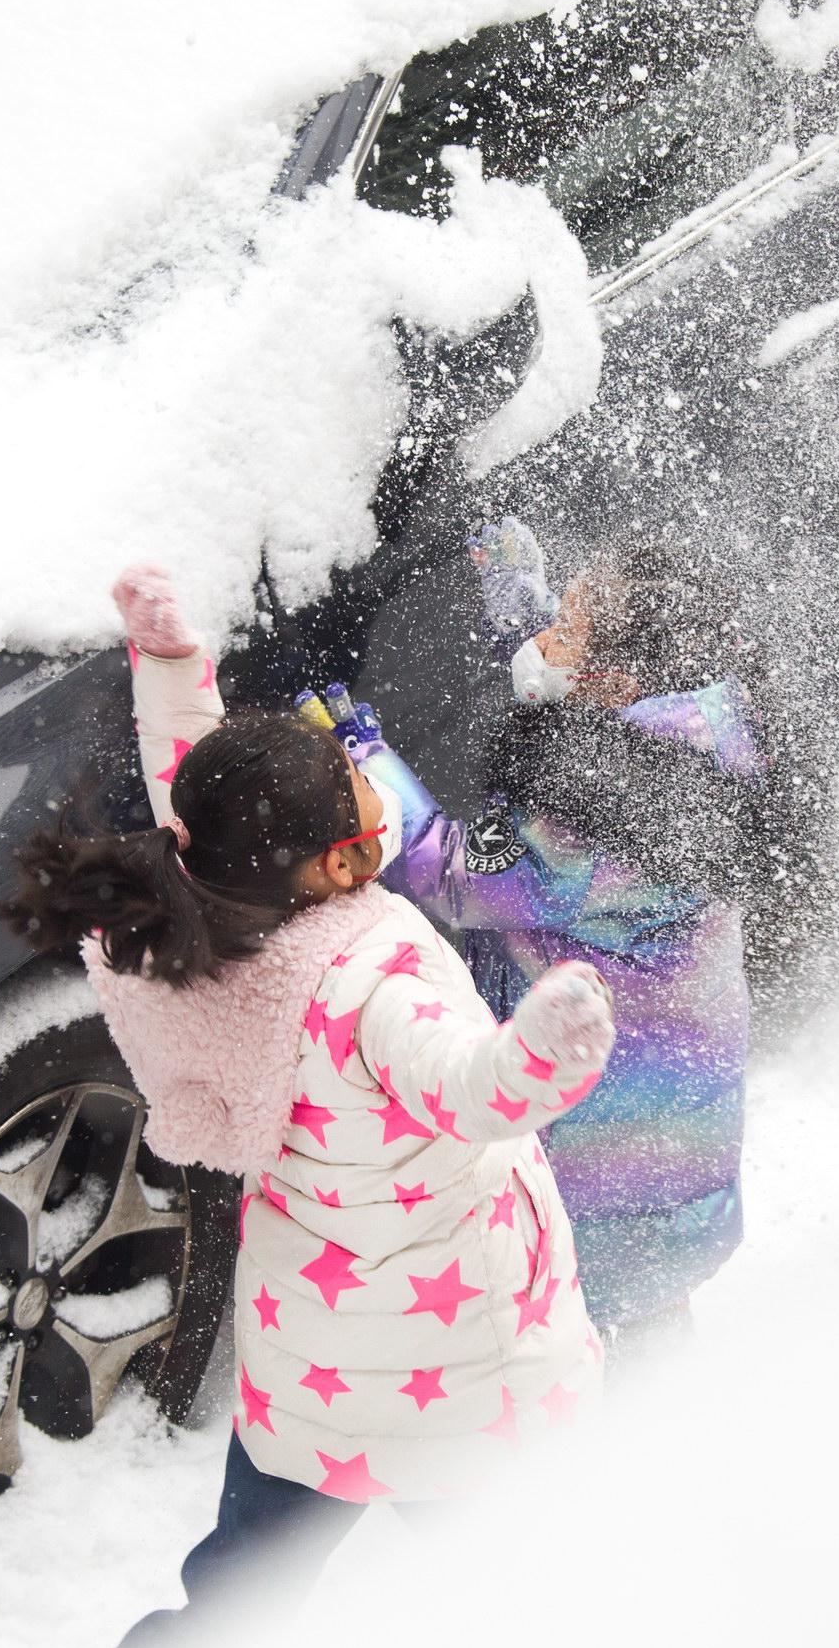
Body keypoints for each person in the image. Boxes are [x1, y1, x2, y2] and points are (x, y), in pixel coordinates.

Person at [0, 564, 612, 1648]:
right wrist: (542, 1053)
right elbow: (468, 1088)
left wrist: (172, 665)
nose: (362, 771)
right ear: (345, 861)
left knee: (232, 1607)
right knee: (543, 1607)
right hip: (457, 1371)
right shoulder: (372, 982)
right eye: (350, 781)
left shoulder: (213, 919)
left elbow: (196, 783)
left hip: (315, 1367)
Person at [318, 520, 785, 1349]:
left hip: (607, 1166)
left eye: (562, 627)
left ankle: (609, 1466)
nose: (541, 640)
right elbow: (566, 686)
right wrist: (520, 602)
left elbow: (455, 874)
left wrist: (366, 760)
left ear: (615, 678)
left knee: (591, 1340)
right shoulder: (692, 735)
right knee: (649, 1313)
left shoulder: (602, 825)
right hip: (670, 1134)